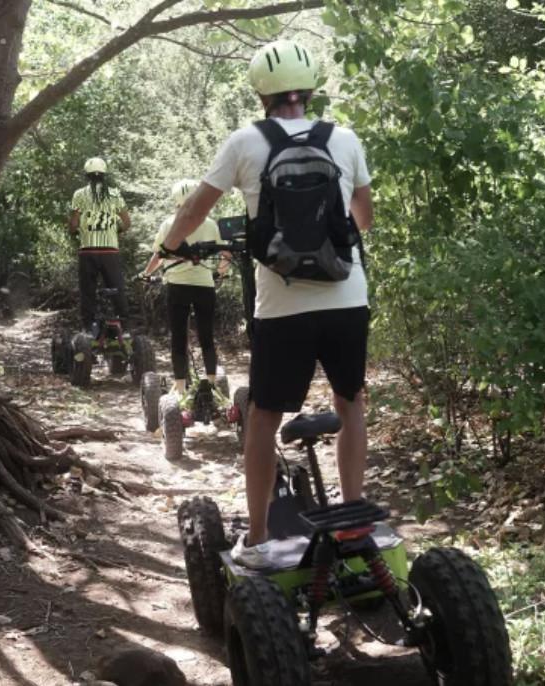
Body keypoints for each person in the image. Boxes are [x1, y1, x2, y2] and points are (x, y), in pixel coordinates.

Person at [161, 39, 374, 568]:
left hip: (282, 307)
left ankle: (257, 538)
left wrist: (169, 247)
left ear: (261, 93)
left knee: (263, 418)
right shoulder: (345, 139)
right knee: (350, 403)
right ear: (311, 89)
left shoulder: (245, 143)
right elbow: (364, 219)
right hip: (347, 298)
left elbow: (193, 210)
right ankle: (353, 520)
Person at [140, 179, 230, 395]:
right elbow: (226, 255)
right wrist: (219, 272)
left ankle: (180, 387)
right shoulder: (211, 224)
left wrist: (146, 274)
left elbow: (159, 255)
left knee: (178, 337)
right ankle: (211, 385)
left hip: (177, 286)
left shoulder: (169, 223)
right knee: (207, 336)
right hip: (205, 286)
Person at [69, 157, 132, 332]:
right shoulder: (115, 194)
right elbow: (127, 222)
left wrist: (75, 231)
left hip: (87, 250)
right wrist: (116, 230)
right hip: (109, 250)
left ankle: (89, 329)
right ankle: (124, 327)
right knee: (116, 288)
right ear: (104, 174)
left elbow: (73, 223)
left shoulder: (79, 194)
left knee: (88, 292)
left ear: (86, 175)